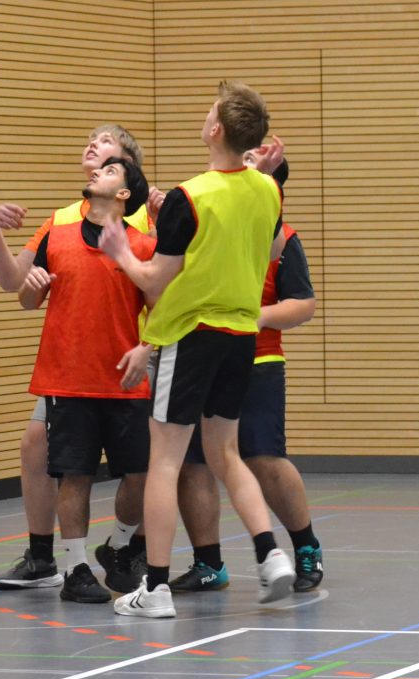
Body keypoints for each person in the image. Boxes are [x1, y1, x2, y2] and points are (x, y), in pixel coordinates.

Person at [100, 81, 295, 619]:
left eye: (209, 111)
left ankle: (156, 588)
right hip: (241, 337)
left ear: (215, 130)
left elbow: (152, 278)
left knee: (164, 462)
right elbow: (273, 248)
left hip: (190, 335)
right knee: (225, 454)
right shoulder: (267, 190)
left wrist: (120, 251)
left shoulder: (190, 197)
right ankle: (270, 554)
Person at [0, 125, 152, 592]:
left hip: (133, 362)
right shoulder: (59, 224)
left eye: (107, 143)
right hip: (72, 369)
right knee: (52, 457)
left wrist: (149, 347)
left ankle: (128, 548)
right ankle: (54, 560)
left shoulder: (145, 221)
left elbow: (163, 296)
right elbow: (20, 289)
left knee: (145, 468)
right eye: (92, 139)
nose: (93, 145)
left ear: (126, 172)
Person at [171, 154, 323, 596]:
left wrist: (255, 317)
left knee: (262, 456)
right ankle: (208, 562)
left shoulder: (283, 238)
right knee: (191, 462)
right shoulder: (207, 223)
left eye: (255, 162)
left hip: (257, 360)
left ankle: (306, 546)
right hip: (199, 355)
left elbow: (303, 305)